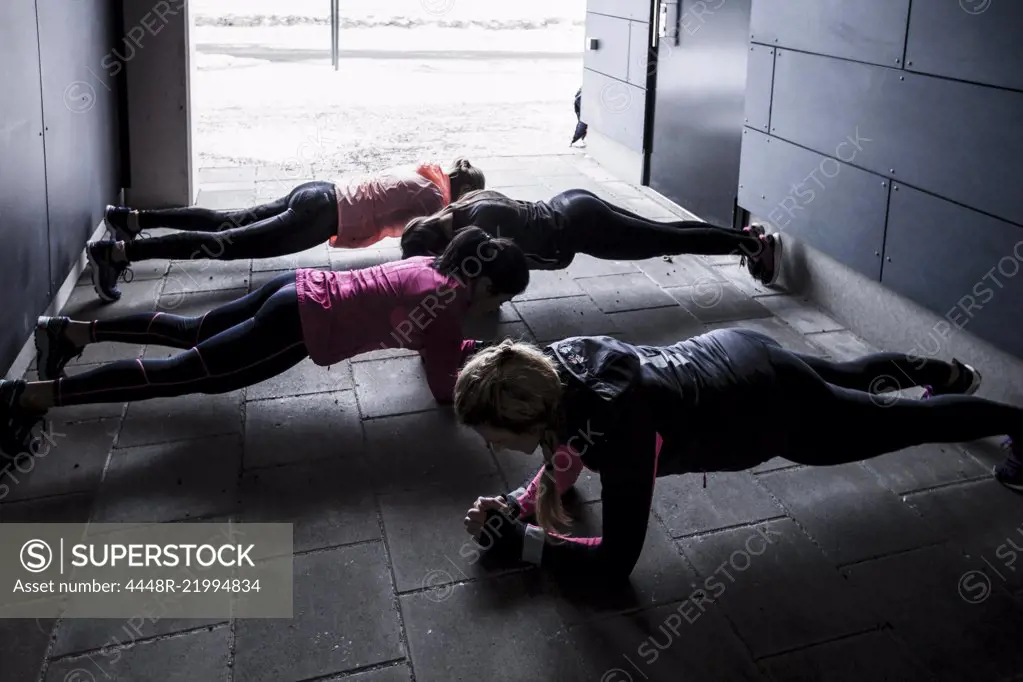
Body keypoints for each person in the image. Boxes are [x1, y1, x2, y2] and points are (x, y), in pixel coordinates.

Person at [452, 330, 1022, 582]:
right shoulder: (547, 366)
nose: (488, 444)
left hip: (767, 410)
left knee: (898, 424)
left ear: (526, 416)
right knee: (846, 379)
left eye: (491, 433)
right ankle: (940, 372)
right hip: (734, 351)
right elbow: (568, 450)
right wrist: (516, 506)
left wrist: (522, 544)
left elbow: (615, 562)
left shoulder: (620, 430)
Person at [0, 228, 527, 459]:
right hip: (298, 326)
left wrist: (459, 348)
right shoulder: (449, 306)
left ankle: (70, 332)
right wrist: (479, 369)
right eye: (497, 296)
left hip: (297, 287)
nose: (492, 308)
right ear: (484, 283)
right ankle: (29, 397)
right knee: (184, 373)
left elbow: (424, 337)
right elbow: (442, 390)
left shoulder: (432, 267)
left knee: (192, 330)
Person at [86, 158, 487, 302]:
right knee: (223, 245)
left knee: (225, 221)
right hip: (321, 218)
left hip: (318, 192)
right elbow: (425, 247)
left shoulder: (425, 171)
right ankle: (117, 254)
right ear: (465, 191)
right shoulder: (436, 199)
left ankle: (131, 219)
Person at [400, 189, 781, 285]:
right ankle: (743, 238)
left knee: (668, 240)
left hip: (581, 229)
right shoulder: (464, 205)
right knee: (665, 233)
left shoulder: (477, 232)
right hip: (572, 202)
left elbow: (535, 262)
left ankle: (755, 246)